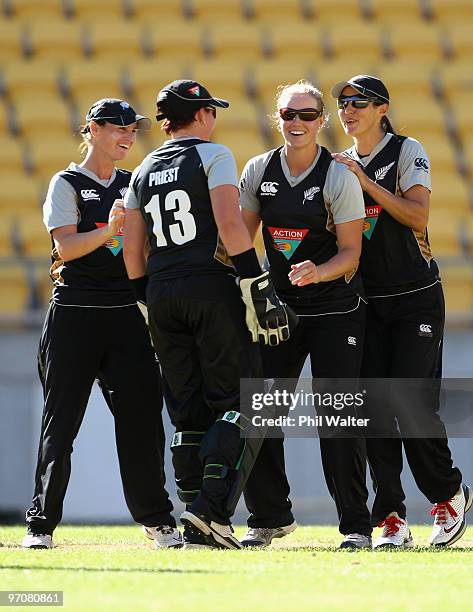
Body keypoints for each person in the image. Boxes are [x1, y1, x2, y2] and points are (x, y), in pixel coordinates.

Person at [122, 80, 294, 550]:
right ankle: (210, 513)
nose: (214, 118)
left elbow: (132, 253)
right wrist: (256, 284)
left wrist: (146, 299)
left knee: (188, 413)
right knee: (241, 403)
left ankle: (192, 517)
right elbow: (230, 223)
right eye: (210, 110)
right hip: (209, 288)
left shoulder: (140, 170)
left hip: (160, 293)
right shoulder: (212, 155)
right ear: (199, 115)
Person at [22, 99, 181, 550]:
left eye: (133, 129)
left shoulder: (136, 183)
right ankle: (41, 525)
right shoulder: (67, 182)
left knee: (143, 422)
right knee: (61, 424)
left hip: (127, 314)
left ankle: (158, 521)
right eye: (119, 128)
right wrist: (109, 232)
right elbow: (65, 249)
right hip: (74, 312)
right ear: (92, 129)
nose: (129, 137)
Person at [330, 74, 473, 548]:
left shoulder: (407, 150)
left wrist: (364, 183)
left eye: (359, 102)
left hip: (415, 296)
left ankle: (447, 494)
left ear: (382, 108)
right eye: (342, 103)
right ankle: (391, 515)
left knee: (411, 402)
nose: (348, 110)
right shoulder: (338, 163)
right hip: (367, 302)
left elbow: (418, 216)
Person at [239, 80, 373, 550]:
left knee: (337, 417)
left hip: (336, 308)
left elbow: (351, 254)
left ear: (323, 121)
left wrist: (318, 272)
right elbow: (240, 242)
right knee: (262, 412)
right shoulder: (258, 169)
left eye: (307, 115)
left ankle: (356, 524)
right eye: (288, 114)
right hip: (280, 310)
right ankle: (270, 516)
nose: (297, 123)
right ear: (276, 118)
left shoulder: (337, 176)